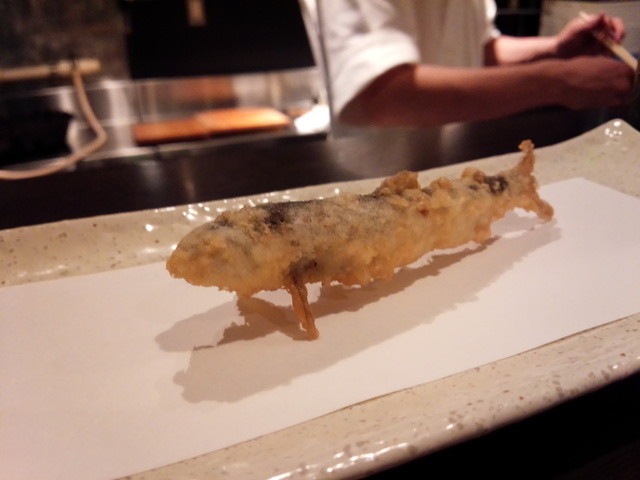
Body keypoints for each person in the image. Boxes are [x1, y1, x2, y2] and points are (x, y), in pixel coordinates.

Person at [311, 0, 635, 128]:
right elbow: (384, 95)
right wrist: (557, 82)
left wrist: (555, 49)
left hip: (453, 171)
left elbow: (478, 48)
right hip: (374, 184)